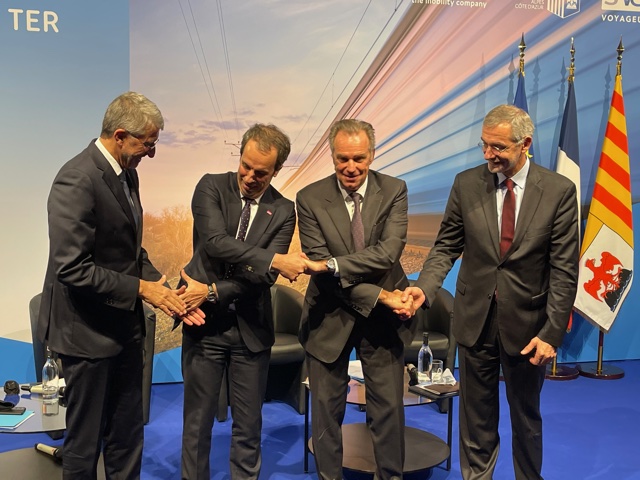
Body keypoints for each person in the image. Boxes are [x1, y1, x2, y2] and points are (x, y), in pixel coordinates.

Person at [402, 104, 579, 479]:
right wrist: (424, 289)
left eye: (498, 147)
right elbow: (446, 246)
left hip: (529, 327)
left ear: (525, 144)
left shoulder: (559, 192)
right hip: (474, 320)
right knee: (476, 419)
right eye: (484, 145)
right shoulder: (467, 184)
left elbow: (564, 269)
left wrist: (550, 333)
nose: (488, 155)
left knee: (526, 417)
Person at [37, 91, 203, 479]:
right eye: (148, 143)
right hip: (86, 335)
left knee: (127, 434)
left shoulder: (127, 172)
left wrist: (163, 287)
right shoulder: (76, 179)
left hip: (124, 330)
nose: (151, 152)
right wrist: (143, 290)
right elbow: (72, 267)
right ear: (121, 134)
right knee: (84, 441)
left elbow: (125, 247)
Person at [176, 124, 308, 480]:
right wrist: (273, 259)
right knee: (197, 425)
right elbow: (216, 242)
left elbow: (262, 279)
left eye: (261, 172)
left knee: (248, 428)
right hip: (203, 325)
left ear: (276, 170)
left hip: (251, 330)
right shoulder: (210, 186)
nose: (249, 176)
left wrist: (213, 290)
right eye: (245, 165)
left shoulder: (283, 210)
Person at [296, 119, 416, 480]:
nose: (350, 167)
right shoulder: (309, 197)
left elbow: (388, 253)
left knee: (388, 411)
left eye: (359, 158)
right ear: (332, 156)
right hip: (330, 315)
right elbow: (322, 276)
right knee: (327, 414)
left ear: (372, 154)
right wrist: (381, 296)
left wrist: (333, 264)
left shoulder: (394, 189)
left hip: (383, 321)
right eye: (342, 158)